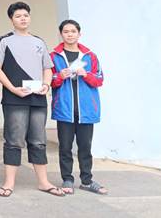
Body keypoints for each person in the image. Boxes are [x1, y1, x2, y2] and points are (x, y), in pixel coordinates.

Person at [0, 2, 64, 197]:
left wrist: (46, 85)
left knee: (38, 140)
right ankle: (8, 183)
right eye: (18, 16)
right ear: (11, 20)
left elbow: (47, 68)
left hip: (38, 98)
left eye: (25, 15)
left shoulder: (39, 42)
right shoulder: (4, 41)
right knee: (14, 141)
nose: (23, 19)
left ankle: (43, 182)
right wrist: (12, 89)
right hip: (14, 99)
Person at [51, 20, 107, 195]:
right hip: (64, 109)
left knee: (85, 147)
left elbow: (99, 79)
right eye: (66, 31)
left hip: (86, 110)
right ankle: (67, 179)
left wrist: (86, 74)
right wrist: (59, 76)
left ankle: (87, 180)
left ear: (79, 34)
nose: (70, 34)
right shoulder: (54, 56)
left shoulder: (90, 56)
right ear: (61, 34)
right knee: (65, 147)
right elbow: (49, 80)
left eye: (73, 31)